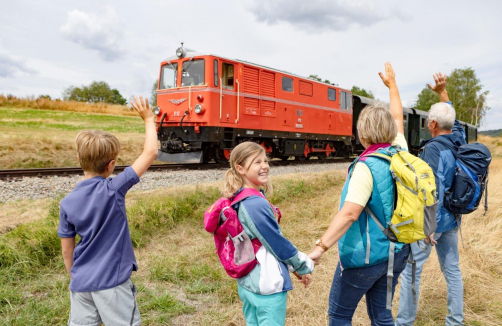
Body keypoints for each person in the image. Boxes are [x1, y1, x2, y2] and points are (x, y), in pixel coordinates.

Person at [308, 62, 410, 325]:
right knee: (383, 315)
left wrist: (320, 248)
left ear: (362, 133)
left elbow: (350, 213)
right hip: (397, 253)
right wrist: (393, 86)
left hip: (364, 259)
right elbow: (397, 118)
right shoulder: (400, 151)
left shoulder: (366, 166)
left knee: (340, 315)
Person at [57, 96, 158, 326]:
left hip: (81, 284)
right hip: (112, 283)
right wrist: (149, 118)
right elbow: (150, 152)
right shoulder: (114, 189)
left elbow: (67, 250)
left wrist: (76, 275)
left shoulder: (67, 202)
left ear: (79, 159)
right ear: (111, 165)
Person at [395, 73, 466, 326]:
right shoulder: (459, 140)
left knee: (411, 272)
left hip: (433, 223)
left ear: (433, 124)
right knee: (452, 271)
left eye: (429, 121)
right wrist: (443, 93)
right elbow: (453, 121)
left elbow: (430, 190)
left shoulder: (432, 149)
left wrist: (428, 226)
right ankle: (455, 321)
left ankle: (404, 322)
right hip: (452, 218)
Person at [223, 141, 314, 326]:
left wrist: (293, 269)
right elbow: (276, 243)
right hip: (266, 286)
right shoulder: (255, 203)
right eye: (257, 162)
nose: (264, 166)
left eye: (265, 160)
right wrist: (303, 265)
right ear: (240, 168)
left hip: (248, 280)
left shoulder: (240, 197)